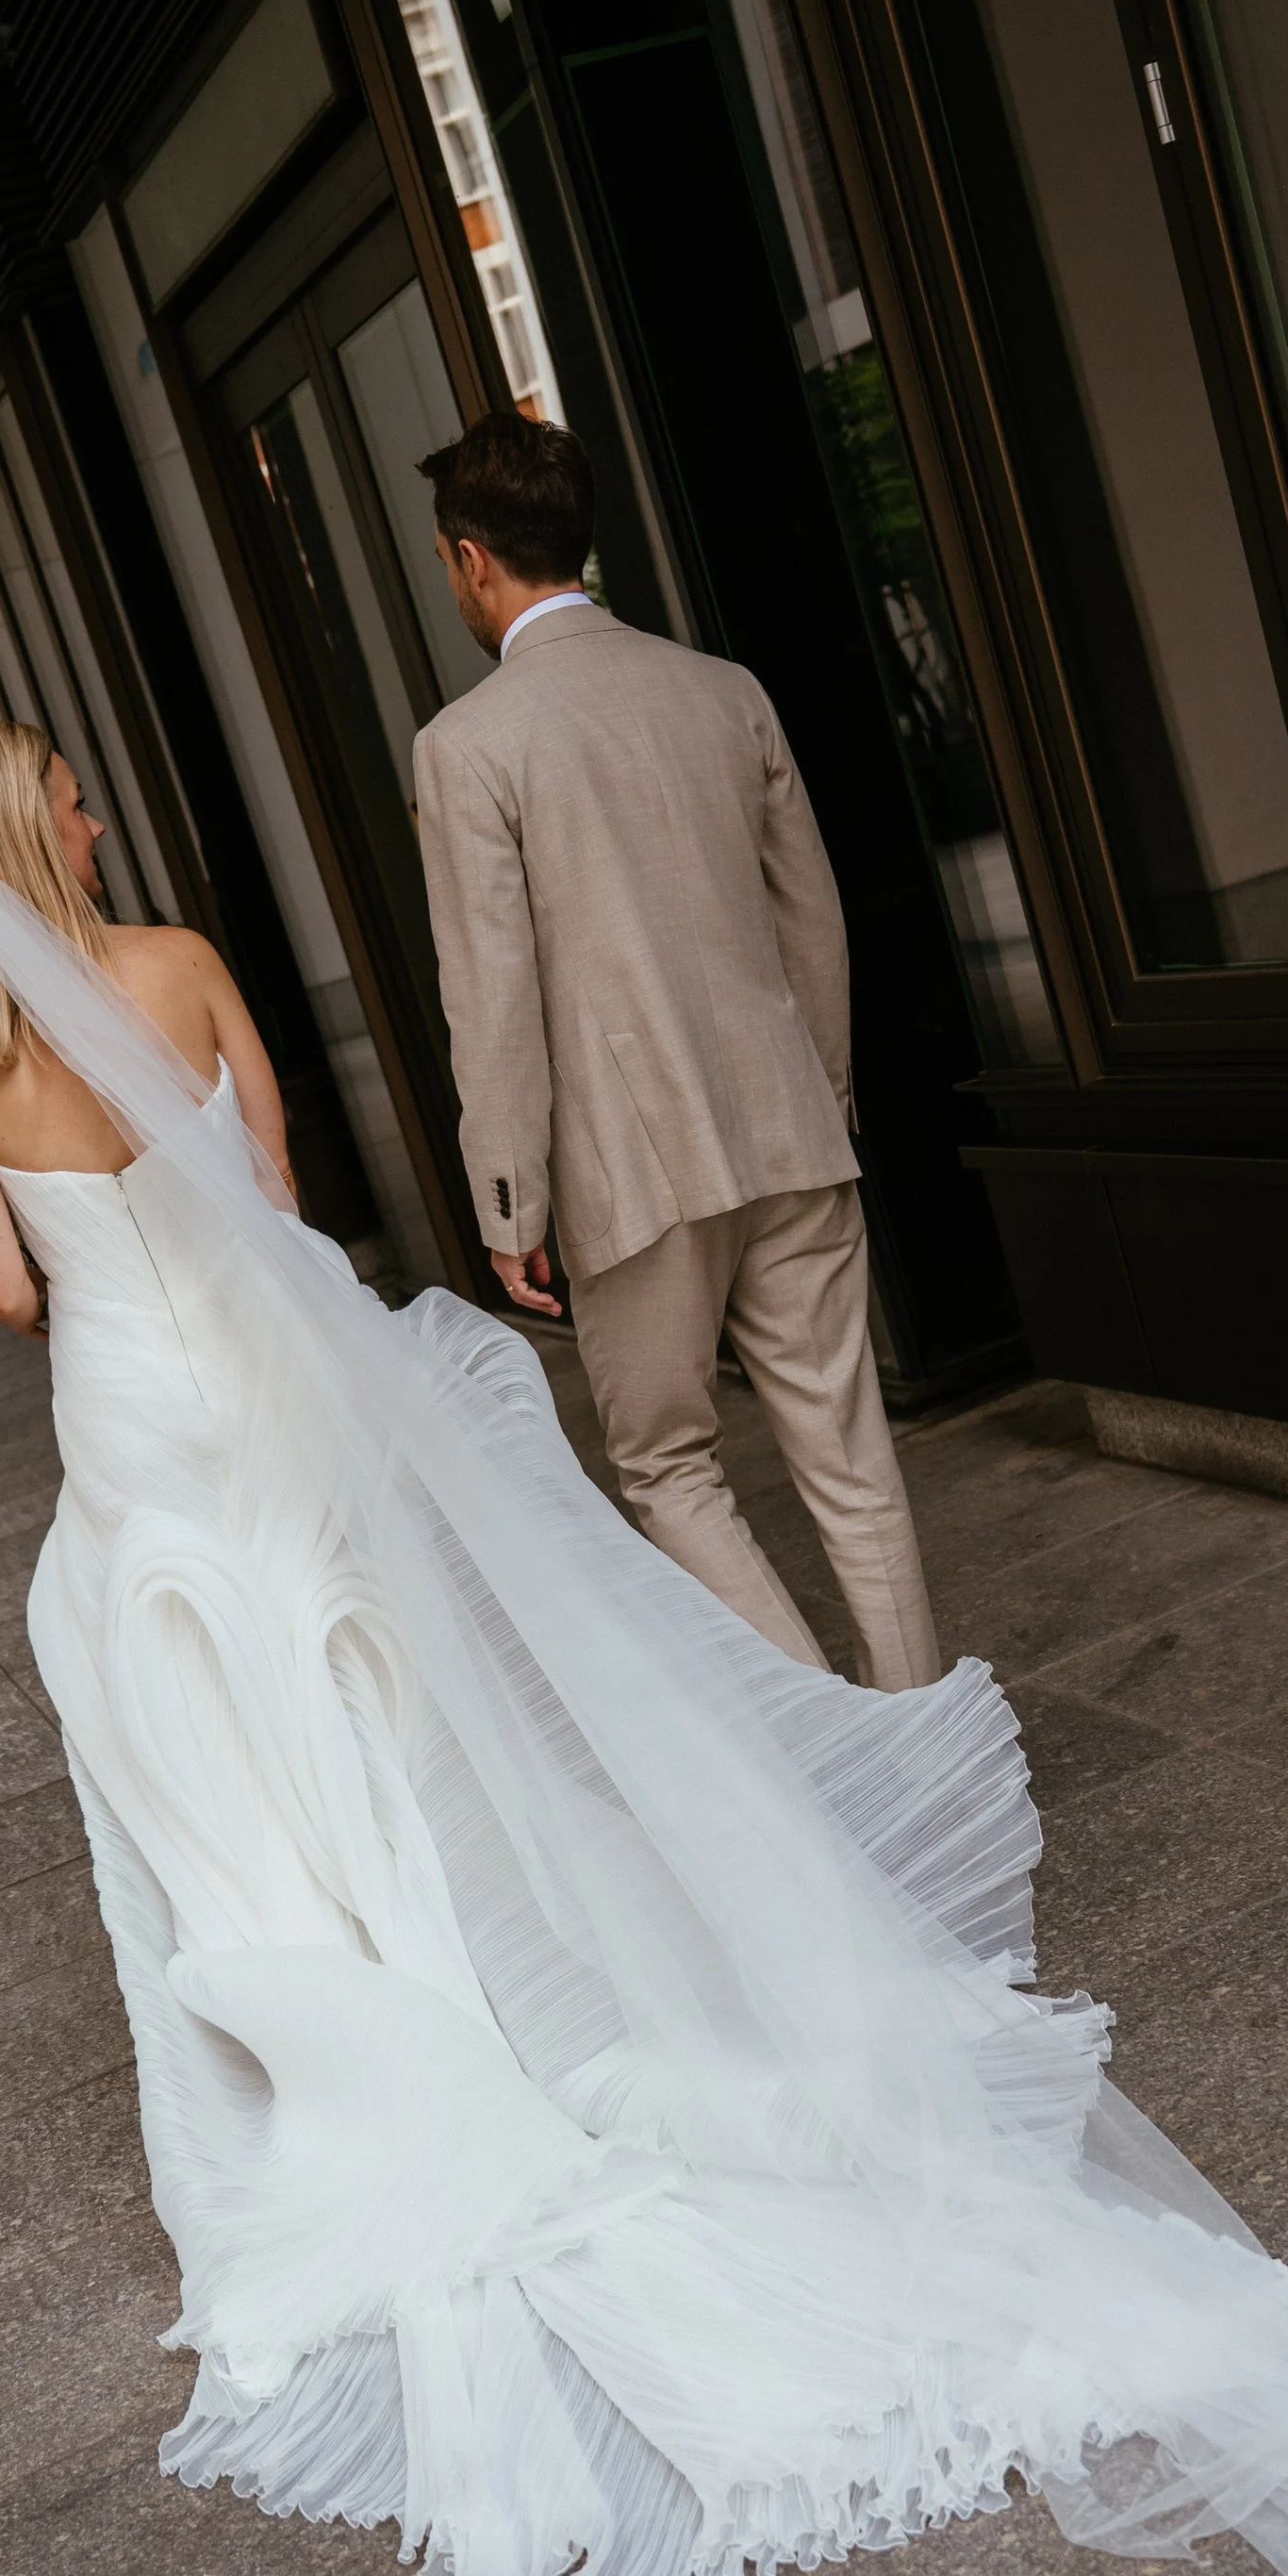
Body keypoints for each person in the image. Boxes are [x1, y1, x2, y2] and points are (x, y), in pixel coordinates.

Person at [0, 710, 1288, 2576]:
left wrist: (48, 1234)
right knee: (360, 1664)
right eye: (68, 792)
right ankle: (469, 1981)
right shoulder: (176, 969)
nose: (94, 808)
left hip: (134, 1426)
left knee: (218, 1704)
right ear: (30, 827)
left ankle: (346, 2026)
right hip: (266, 1400)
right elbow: (266, 1196)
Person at [411, 411, 940, 1696]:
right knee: (852, 1457)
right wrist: (818, 1092)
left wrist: (511, 1203)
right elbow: (811, 916)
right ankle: (927, 1734)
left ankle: (842, 1754)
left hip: (629, 1173)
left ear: (472, 558)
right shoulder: (723, 689)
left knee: (667, 1467)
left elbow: (493, 998)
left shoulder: (465, 747)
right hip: (788, 1126)